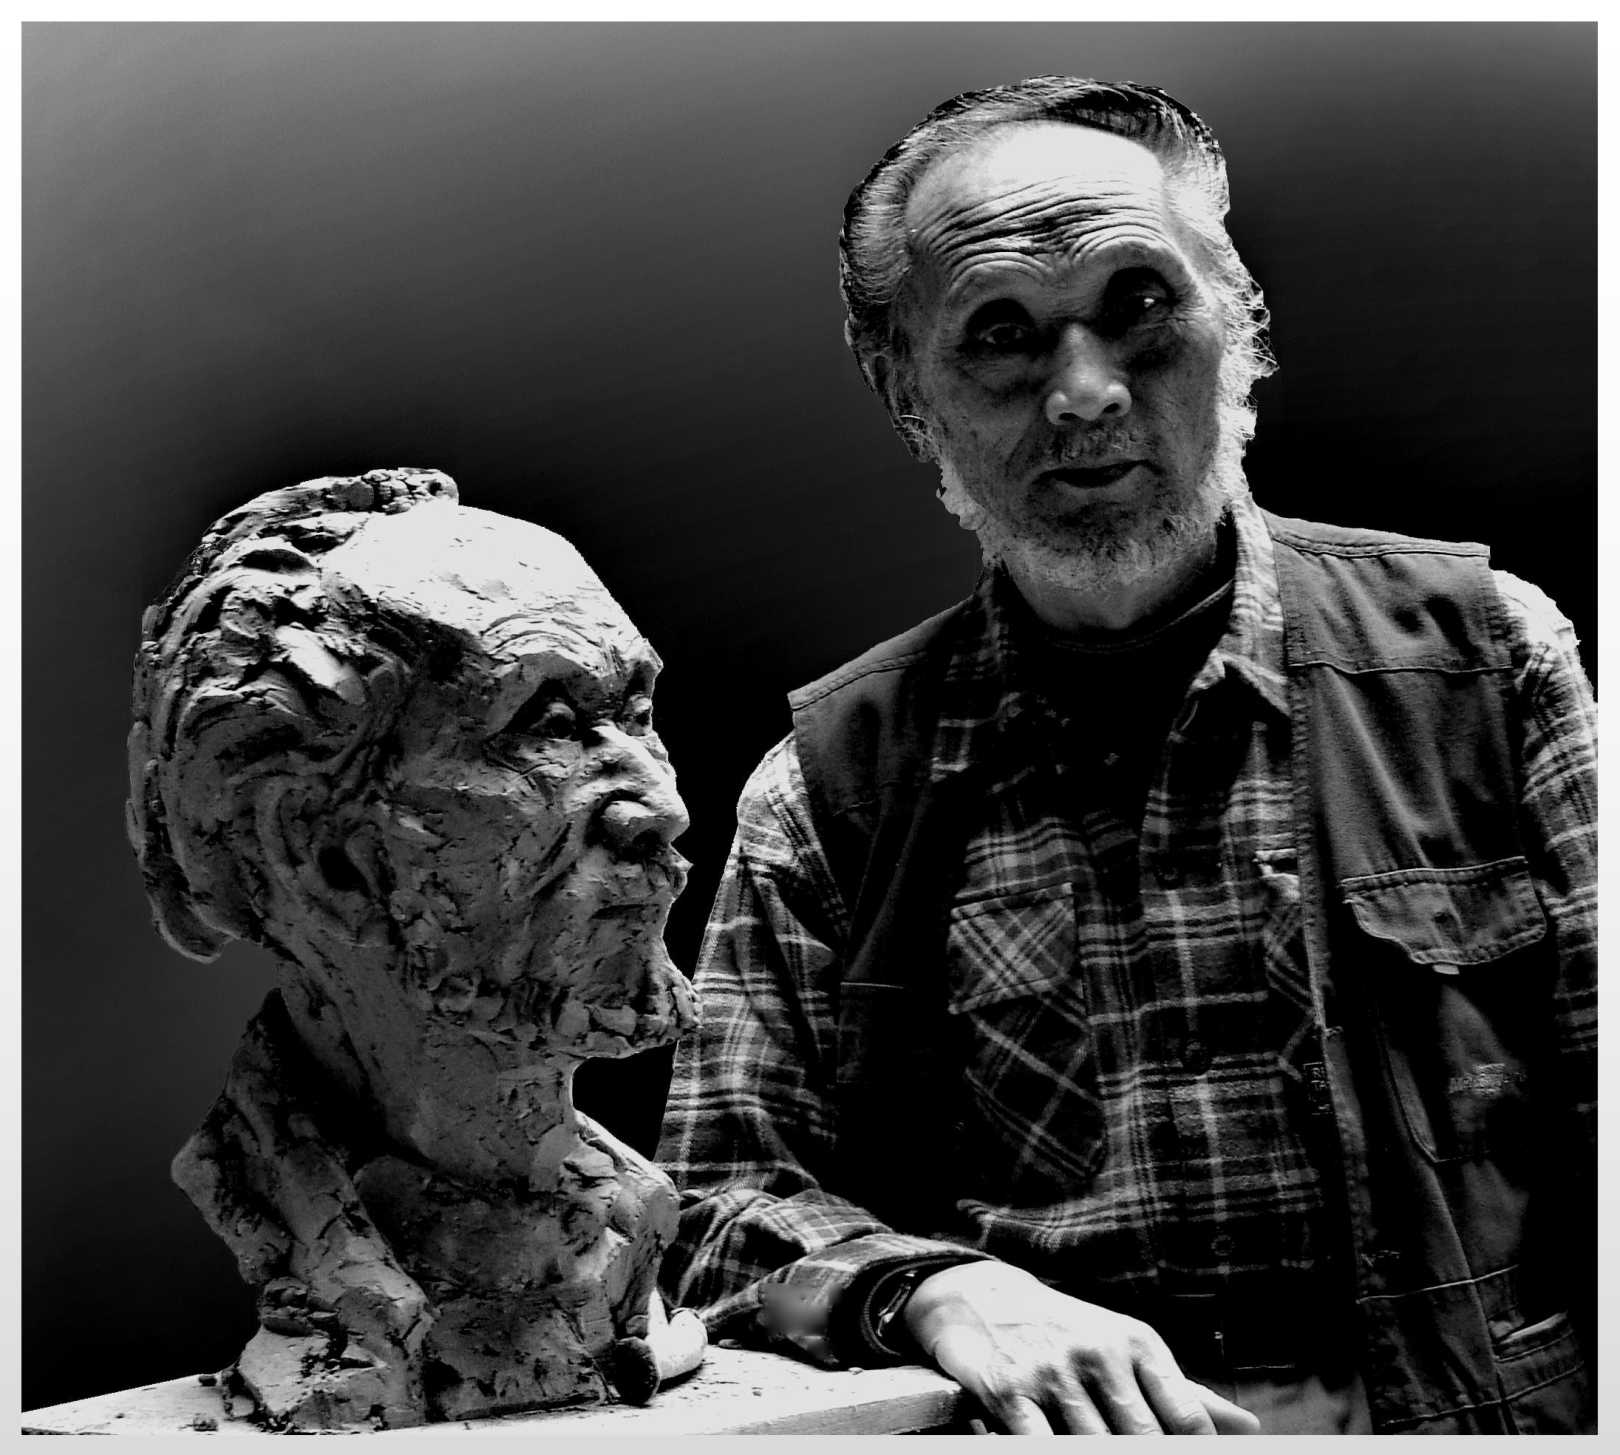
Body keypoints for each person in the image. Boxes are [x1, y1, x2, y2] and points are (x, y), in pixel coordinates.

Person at [655, 78, 1595, 1435]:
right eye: (1001, 333)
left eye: (1139, 304)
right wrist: (930, 1287)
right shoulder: (824, 792)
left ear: (1242, 326)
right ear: (907, 391)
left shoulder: (1486, 661)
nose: (1086, 392)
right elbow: (709, 1209)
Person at [128, 468, 698, 1427]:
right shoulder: (276, 1213)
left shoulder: (636, 1219)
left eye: (637, 714)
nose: (663, 806)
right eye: (551, 729)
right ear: (321, 857)